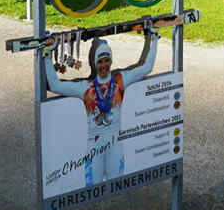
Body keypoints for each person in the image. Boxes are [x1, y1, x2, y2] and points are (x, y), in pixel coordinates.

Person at [45, 28, 161, 187]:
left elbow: (147, 67)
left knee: (116, 186)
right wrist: (46, 54)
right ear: (94, 63)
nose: (104, 65)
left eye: (107, 60)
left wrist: (154, 39)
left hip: (115, 142)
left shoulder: (120, 79)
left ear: (111, 61)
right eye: (100, 61)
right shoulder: (85, 87)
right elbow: (55, 85)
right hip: (95, 144)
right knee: (92, 188)